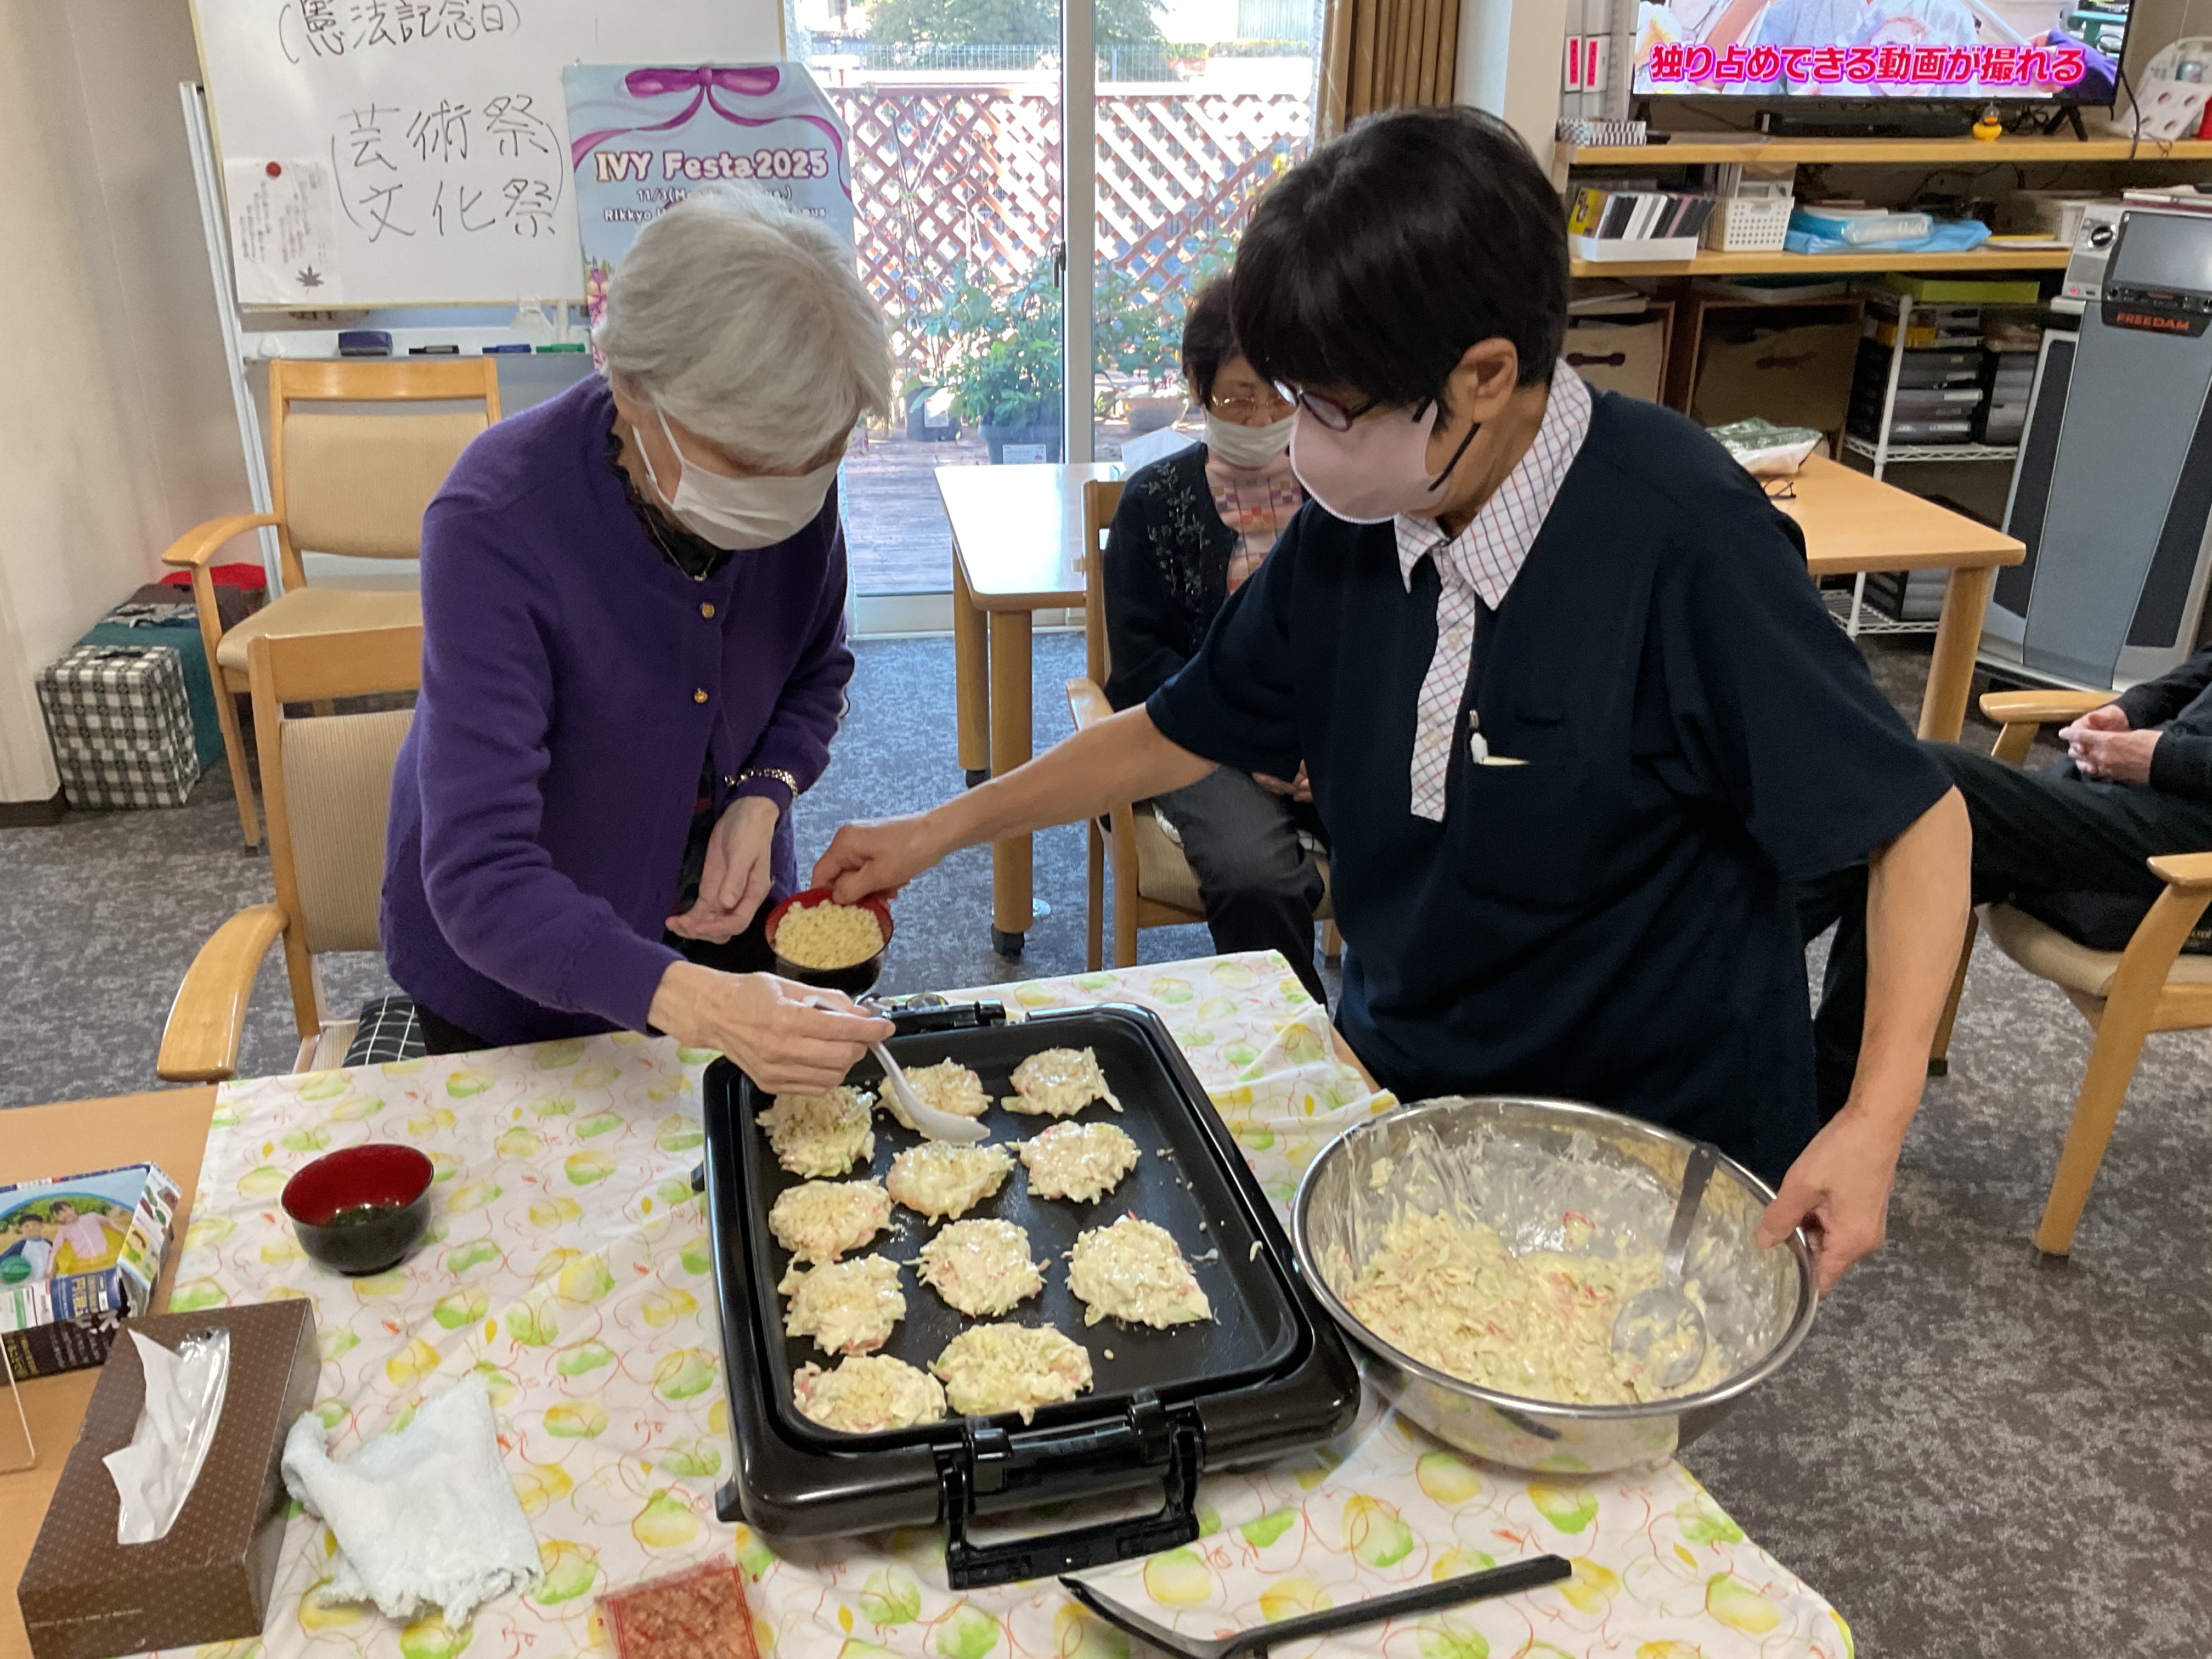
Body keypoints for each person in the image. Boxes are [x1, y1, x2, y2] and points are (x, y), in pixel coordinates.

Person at [816, 108, 1972, 1291]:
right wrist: (935, 831)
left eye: (1330, 406)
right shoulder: (1361, 528)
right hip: (1407, 1082)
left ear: (1485, 375)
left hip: (1639, 1140)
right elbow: (1172, 729)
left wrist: (1873, 1119)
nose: (1301, 443)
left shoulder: (1684, 539)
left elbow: (1918, 820)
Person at [381, 184, 895, 1092]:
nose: (785, 496)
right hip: (523, 969)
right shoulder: (497, 522)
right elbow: (481, 874)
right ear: (631, 389)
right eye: (749, 468)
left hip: (722, 919)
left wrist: (764, 795)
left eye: (815, 465)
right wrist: (696, 1002)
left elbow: (816, 671)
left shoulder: (792, 474)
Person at [1804, 642, 2212, 1110]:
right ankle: (1822, 1082)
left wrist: (2162, 757)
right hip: (2152, 789)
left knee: (1934, 787)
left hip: (2190, 844)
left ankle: (1777, 1026)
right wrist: (2129, 711)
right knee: (1917, 824)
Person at [1103, 278, 1329, 1001]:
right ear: (1198, 388)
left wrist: (1325, 743)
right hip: (1201, 736)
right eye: (1238, 398)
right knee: (1256, 875)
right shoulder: (1153, 502)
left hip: (1324, 731)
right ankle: (1291, 1038)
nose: (1262, 416)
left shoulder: (1342, 494)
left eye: (1282, 397)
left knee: (1428, 834)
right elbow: (1142, 668)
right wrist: (1254, 745)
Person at [0, 1215, 52, 1285]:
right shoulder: (21, 1245)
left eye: (35, 1225)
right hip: (25, 1284)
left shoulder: (49, 1244)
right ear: (21, 1229)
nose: (32, 1228)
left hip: (45, 1283)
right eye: (27, 1226)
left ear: (42, 1226)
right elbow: (2, 1259)